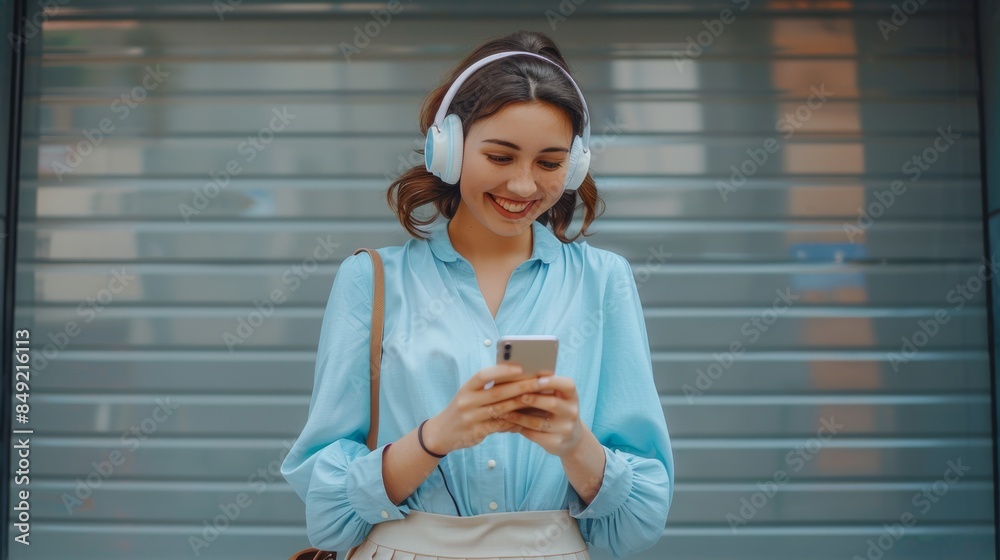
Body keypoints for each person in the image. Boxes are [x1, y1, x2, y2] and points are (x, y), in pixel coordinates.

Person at [281, 29, 673, 559]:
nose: (524, 186)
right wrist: (436, 436)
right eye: (500, 156)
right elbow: (328, 515)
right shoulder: (371, 280)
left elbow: (638, 524)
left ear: (575, 165)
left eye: (550, 163)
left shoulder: (604, 280)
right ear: (447, 148)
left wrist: (575, 444)